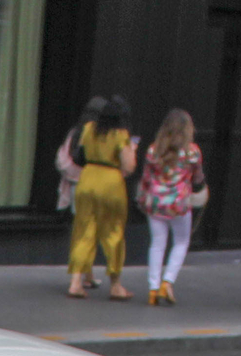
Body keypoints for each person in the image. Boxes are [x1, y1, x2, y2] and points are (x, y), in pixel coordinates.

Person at [65, 96, 136, 300]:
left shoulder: (88, 129)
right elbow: (128, 167)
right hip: (110, 182)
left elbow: (79, 155)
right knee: (113, 232)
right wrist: (132, 151)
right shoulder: (121, 135)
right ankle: (115, 285)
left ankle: (76, 282)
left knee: (83, 229)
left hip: (87, 179)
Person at [135, 108, 205, 307]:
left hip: (155, 202)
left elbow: (146, 178)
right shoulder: (192, 152)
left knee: (157, 244)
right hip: (179, 204)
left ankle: (153, 288)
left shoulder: (153, 150)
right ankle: (168, 282)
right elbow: (199, 177)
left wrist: (142, 198)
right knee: (181, 242)